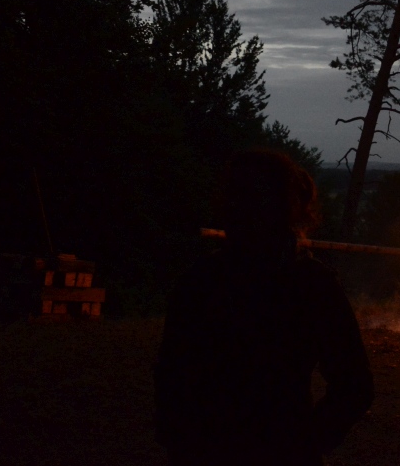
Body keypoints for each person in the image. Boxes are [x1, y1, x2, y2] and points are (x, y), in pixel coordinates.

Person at [155, 150, 374, 465]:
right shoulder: (205, 280)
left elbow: (354, 385)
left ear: (275, 206)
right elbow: (171, 371)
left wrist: (303, 444)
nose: (234, 208)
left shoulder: (307, 285)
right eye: (233, 197)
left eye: (246, 198)